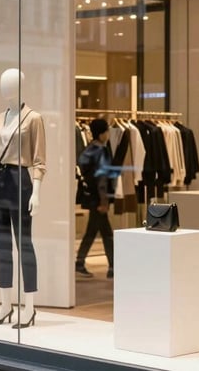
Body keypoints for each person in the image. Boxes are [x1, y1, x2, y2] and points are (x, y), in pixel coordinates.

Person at [0, 68, 46, 329]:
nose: (4, 87)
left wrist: (36, 192)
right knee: (2, 245)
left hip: (20, 181)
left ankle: (29, 307)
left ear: (20, 85)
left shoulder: (33, 118)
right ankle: (5, 305)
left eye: (9, 83)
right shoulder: (0, 117)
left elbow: (40, 160)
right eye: (2, 82)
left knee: (24, 244)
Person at [75, 118, 117, 279]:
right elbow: (102, 179)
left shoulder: (88, 149)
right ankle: (112, 267)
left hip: (90, 196)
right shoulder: (101, 151)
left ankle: (80, 262)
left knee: (93, 231)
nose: (108, 134)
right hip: (99, 199)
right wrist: (104, 201)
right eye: (106, 131)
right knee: (106, 233)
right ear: (101, 134)